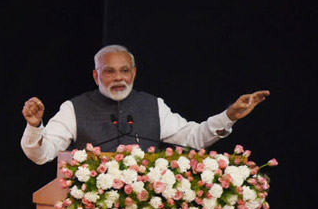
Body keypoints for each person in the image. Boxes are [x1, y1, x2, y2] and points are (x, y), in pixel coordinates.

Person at [20, 45, 270, 164]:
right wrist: (35, 127)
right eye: (109, 72)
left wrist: (229, 116)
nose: (118, 77)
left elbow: (195, 137)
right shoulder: (73, 109)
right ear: (96, 76)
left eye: (124, 70)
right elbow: (42, 155)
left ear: (134, 74)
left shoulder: (153, 105)